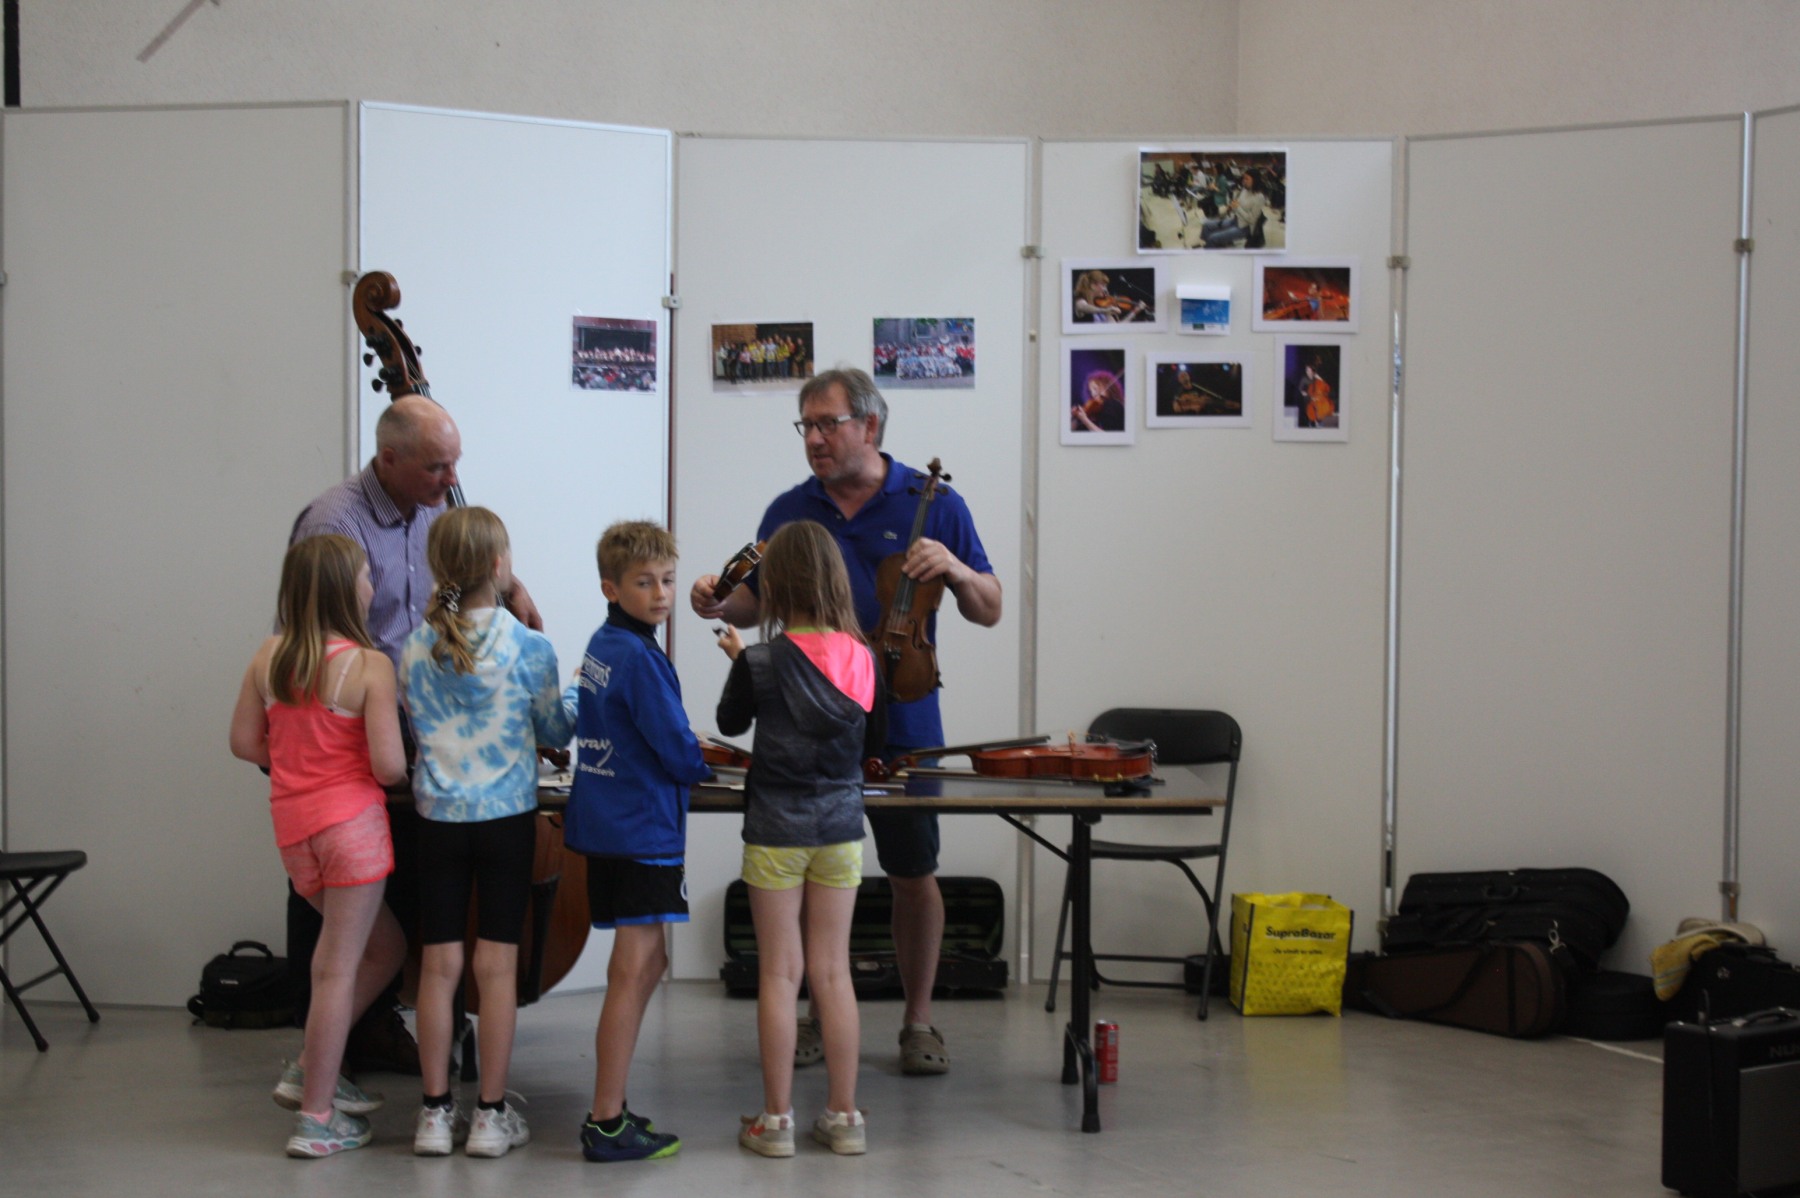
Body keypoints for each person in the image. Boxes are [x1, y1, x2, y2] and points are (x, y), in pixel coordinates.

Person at [691, 367, 1002, 1078]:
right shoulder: (789, 509)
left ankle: (917, 1020)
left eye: (827, 423)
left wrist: (955, 569)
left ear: (870, 425)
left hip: (906, 714)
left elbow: (989, 607)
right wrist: (720, 602)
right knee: (809, 868)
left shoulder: (933, 503)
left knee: (913, 870)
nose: (814, 438)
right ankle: (812, 1013)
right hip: (808, 720)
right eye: (806, 425)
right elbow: (757, 603)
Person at [288, 393, 541, 1074]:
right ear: (389, 458)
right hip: (352, 736)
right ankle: (328, 1051)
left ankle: (375, 1031)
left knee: (399, 889)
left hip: (410, 731)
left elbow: (460, 581)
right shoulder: (334, 521)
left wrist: (508, 589)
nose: (451, 479)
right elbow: (310, 636)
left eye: (454, 463)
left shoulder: (433, 509)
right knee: (348, 908)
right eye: (436, 467)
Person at [400, 506, 577, 1158]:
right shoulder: (529, 647)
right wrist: (578, 692)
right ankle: (490, 1116)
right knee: (496, 967)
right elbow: (555, 730)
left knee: (439, 966)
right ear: (500, 566)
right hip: (505, 822)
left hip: (438, 822)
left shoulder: (413, 647)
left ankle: (433, 1113)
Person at [230, 534, 408, 1158]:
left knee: (385, 948)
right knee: (336, 969)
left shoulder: (268, 657)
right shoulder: (369, 665)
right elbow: (388, 766)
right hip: (351, 829)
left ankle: (311, 1066)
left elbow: (244, 743)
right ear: (344, 589)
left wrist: (296, 759)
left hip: (295, 830)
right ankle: (317, 1118)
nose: (372, 586)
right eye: (365, 576)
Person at [715, 521, 886, 1158]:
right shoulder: (864, 658)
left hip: (775, 832)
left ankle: (776, 1121)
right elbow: (874, 743)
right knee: (833, 973)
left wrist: (741, 662)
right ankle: (844, 1116)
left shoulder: (760, 660)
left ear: (777, 586)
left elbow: (730, 721)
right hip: (840, 830)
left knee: (780, 974)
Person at [569, 521, 711, 1163]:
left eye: (668, 581)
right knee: (633, 971)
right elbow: (676, 747)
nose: (661, 594)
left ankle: (613, 1108)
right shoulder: (640, 658)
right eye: (644, 582)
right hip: (641, 828)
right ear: (611, 587)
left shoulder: (604, 644)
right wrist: (702, 765)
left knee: (646, 964)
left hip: (610, 823)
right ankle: (605, 1120)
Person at [1202, 170, 1270, 248]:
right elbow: (1237, 205)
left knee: (1212, 238)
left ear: (1255, 180)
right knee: (1206, 226)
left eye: (1247, 179)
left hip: (1244, 228)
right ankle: (1212, 246)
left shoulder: (1259, 197)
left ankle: (1211, 246)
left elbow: (1252, 220)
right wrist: (1231, 206)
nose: (1244, 181)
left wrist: (1237, 207)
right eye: (1243, 178)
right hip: (1235, 220)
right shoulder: (1245, 190)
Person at [1072, 269, 1148, 323]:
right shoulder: (1080, 301)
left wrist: (1134, 312)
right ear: (1093, 285)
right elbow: (1083, 307)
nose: (1106, 289)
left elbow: (1117, 329)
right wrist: (1105, 310)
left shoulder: (1104, 306)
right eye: (1103, 285)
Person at [1072, 369, 1126, 433]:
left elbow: (1108, 437)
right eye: (1091, 391)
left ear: (1105, 385)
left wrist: (1084, 419)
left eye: (1095, 388)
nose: (1093, 394)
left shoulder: (1111, 404)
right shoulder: (1099, 411)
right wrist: (1075, 419)